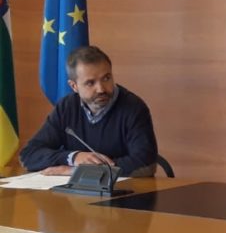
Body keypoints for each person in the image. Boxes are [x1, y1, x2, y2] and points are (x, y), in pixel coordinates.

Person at [19, 46, 158, 177]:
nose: (101, 89)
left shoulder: (133, 107)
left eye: (106, 78)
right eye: (90, 83)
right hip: (75, 197)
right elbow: (29, 155)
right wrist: (73, 157)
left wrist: (77, 171)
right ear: (74, 86)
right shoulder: (67, 107)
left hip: (123, 194)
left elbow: (146, 164)